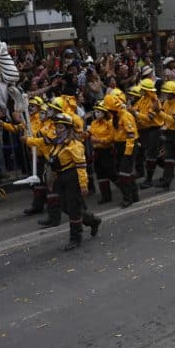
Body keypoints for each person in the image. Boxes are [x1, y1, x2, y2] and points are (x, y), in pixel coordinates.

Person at [48, 113, 101, 251]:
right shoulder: (57, 143)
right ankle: (92, 220)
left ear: (68, 129)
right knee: (64, 206)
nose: (57, 130)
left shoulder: (74, 144)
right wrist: (52, 178)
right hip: (61, 178)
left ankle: (75, 238)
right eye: (56, 127)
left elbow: (81, 166)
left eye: (60, 127)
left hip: (72, 178)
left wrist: (84, 184)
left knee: (73, 208)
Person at [130, 79, 164, 190]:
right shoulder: (142, 100)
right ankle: (168, 169)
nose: (141, 91)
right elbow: (135, 110)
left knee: (151, 155)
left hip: (155, 129)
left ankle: (149, 180)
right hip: (145, 132)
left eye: (143, 89)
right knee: (152, 155)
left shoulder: (155, 101)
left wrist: (136, 113)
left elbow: (149, 118)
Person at [88, 100, 117, 204]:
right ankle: (106, 196)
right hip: (97, 151)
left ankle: (127, 190)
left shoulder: (109, 123)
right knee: (100, 173)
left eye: (99, 111)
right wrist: (86, 135)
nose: (96, 113)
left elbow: (111, 138)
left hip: (107, 150)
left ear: (104, 112)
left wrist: (99, 140)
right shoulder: (93, 123)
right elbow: (90, 133)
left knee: (112, 172)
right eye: (95, 111)